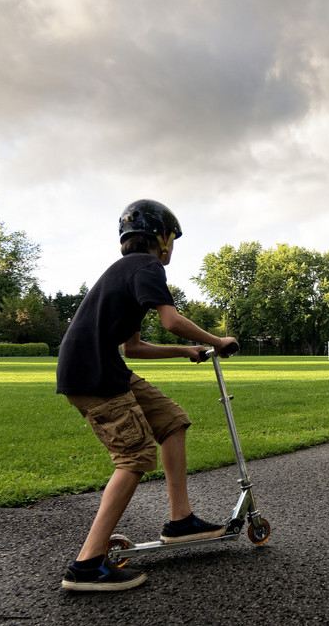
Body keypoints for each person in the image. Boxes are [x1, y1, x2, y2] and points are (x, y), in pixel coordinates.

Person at [55, 199, 238, 592]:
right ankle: (86, 565)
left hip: (106, 367)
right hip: (93, 376)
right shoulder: (147, 266)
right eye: (171, 238)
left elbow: (132, 348)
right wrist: (217, 341)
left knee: (171, 421)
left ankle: (180, 521)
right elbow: (172, 321)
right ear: (162, 239)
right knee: (134, 456)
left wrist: (188, 351)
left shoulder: (128, 271)